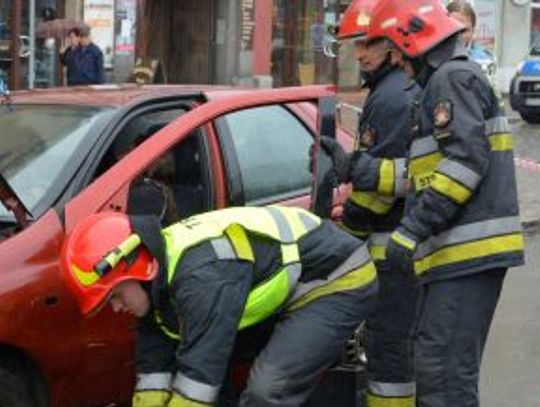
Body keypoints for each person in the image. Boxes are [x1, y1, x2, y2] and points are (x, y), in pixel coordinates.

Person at [366, 1, 525, 406]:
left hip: (466, 254)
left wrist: (412, 229)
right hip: (456, 256)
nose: (397, 63)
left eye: (398, 52)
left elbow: (464, 163)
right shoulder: (445, 80)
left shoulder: (451, 79)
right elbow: (430, 172)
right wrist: (361, 169)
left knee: (443, 374)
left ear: (415, 43)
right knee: (437, 367)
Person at [61, 205, 378, 406]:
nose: (115, 308)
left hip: (335, 279)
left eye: (114, 296)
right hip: (288, 279)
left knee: (266, 392)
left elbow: (197, 386)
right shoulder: (157, 277)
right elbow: (153, 374)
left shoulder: (201, 280)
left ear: (136, 268)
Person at [316, 0, 419, 405]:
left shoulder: (389, 98)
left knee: (390, 357)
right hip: (405, 250)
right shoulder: (398, 90)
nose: (359, 54)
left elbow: (378, 191)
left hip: (390, 255)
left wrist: (345, 236)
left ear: (393, 45)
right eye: (357, 45)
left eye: (368, 45)